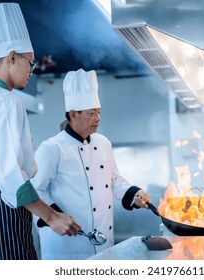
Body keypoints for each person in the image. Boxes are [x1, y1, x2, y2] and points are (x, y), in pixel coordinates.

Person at [0, 3, 80, 260]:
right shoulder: (5, 100)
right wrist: (51, 216)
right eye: (30, 63)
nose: (31, 72)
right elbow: (9, 176)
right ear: (12, 57)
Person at [31, 69, 151, 259]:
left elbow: (112, 178)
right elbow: (35, 190)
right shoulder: (52, 148)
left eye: (99, 112)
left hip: (104, 244)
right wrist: (54, 217)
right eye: (91, 113)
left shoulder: (103, 143)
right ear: (73, 114)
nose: (98, 118)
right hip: (67, 246)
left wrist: (133, 193)